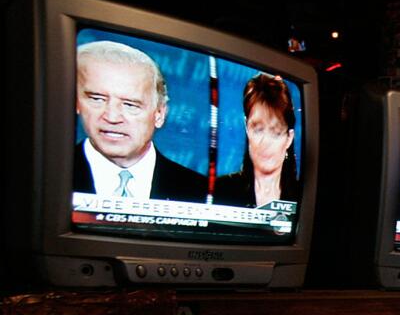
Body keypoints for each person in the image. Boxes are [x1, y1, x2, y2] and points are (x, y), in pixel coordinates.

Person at [73, 40, 207, 202]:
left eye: (130, 105)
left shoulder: (199, 191)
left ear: (159, 114)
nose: (112, 117)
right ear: (78, 103)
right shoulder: (43, 174)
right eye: (97, 99)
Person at [213, 73, 299, 207]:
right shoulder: (222, 190)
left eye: (275, 132)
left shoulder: (301, 196)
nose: (265, 142)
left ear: (289, 138)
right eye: (258, 129)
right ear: (247, 128)